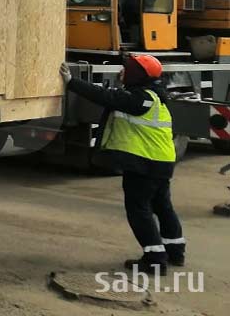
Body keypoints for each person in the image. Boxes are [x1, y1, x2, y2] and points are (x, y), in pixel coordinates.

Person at [60, 55, 184, 274]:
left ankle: (155, 260)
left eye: (126, 69)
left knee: (139, 210)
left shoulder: (142, 99)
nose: (122, 72)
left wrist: (72, 82)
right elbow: (116, 97)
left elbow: (107, 97)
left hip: (144, 163)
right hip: (160, 162)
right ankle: (175, 251)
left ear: (138, 75)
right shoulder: (155, 96)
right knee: (162, 207)